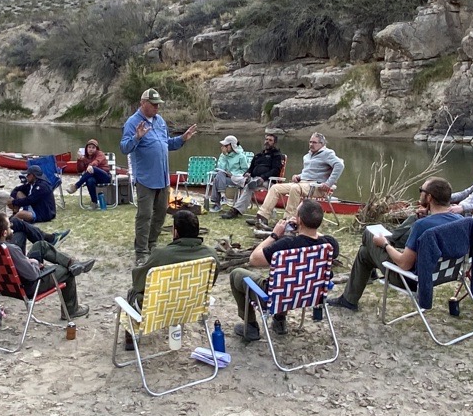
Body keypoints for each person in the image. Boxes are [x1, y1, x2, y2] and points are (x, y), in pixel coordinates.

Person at [329, 177, 459, 312]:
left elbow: (404, 264)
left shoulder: (423, 226)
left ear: (430, 197)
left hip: (410, 279)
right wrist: (423, 217)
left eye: (421, 190)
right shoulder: (459, 221)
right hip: (441, 275)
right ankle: (350, 299)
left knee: (368, 234)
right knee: (365, 253)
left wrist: (385, 245)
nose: (419, 193)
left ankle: (364, 279)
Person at [230, 200, 340, 340]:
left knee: (236, 274)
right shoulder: (329, 245)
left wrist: (274, 235)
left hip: (279, 298)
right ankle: (279, 320)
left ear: (299, 219)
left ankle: (251, 326)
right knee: (292, 279)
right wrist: (305, 228)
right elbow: (315, 236)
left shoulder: (287, 245)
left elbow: (254, 259)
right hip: (312, 295)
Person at [120, 88, 197, 265]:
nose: (157, 108)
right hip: (145, 178)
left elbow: (167, 143)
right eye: (154, 104)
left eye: (158, 105)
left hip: (162, 178)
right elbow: (124, 147)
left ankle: (152, 242)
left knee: (161, 212)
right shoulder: (133, 122)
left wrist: (182, 139)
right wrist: (137, 138)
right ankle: (141, 251)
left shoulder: (160, 121)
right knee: (145, 214)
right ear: (143, 103)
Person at [124, 209, 218, 350]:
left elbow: (138, 282)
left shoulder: (162, 255)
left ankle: (132, 339)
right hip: (192, 305)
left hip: (160, 309)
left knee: (133, 293)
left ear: (175, 232)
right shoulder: (211, 256)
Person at [0, 213, 94, 319]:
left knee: (40, 245)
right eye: (9, 226)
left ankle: (73, 263)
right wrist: (34, 262)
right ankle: (71, 310)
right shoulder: (10, 250)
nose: (12, 227)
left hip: (5, 285)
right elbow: (32, 275)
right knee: (66, 271)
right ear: (4, 233)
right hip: (29, 286)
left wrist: (26, 261)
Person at [253, 132, 344, 228]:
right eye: (310, 142)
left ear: (322, 144)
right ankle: (262, 217)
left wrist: (329, 183)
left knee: (295, 188)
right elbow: (308, 172)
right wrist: (299, 176)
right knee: (275, 187)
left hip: (317, 186)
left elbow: (340, 165)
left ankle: (289, 221)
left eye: (314, 142)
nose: (311, 144)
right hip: (303, 183)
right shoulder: (308, 155)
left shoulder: (327, 153)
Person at [221, 132, 284, 220]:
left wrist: (263, 177)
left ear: (274, 143)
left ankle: (236, 210)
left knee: (248, 187)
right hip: (253, 178)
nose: (267, 141)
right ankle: (247, 181)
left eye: (270, 140)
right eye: (266, 139)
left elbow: (275, 170)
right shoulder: (258, 155)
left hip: (267, 181)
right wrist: (247, 173)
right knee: (237, 177)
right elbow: (250, 168)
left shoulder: (276, 155)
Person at [207, 135, 248, 213]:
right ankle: (222, 197)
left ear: (232, 146)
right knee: (219, 175)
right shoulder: (223, 155)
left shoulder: (241, 156)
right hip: (224, 178)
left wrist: (232, 174)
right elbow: (221, 167)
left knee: (217, 179)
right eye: (223, 145)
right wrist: (225, 156)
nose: (224, 147)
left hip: (236, 179)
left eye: (226, 145)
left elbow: (245, 170)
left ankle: (217, 204)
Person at [66, 139, 112, 204]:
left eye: (93, 148)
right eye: (89, 147)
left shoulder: (100, 154)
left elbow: (97, 162)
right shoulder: (85, 157)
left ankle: (76, 186)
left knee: (93, 168)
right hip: (94, 178)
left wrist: (90, 166)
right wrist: (79, 160)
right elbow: (79, 170)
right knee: (89, 180)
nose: (91, 149)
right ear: (86, 149)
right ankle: (94, 202)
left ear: (96, 149)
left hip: (105, 177)